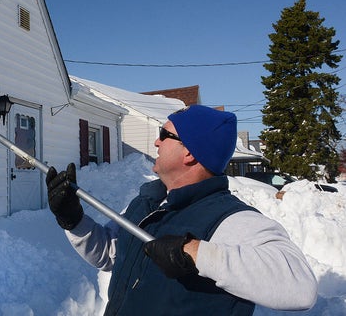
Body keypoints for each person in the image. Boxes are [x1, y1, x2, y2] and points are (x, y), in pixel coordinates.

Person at [46, 105, 317, 315]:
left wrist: (194, 252)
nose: (156, 142)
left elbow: (300, 286)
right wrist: (74, 220)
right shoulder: (146, 204)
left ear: (189, 152)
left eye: (164, 135)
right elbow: (110, 254)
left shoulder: (232, 220)